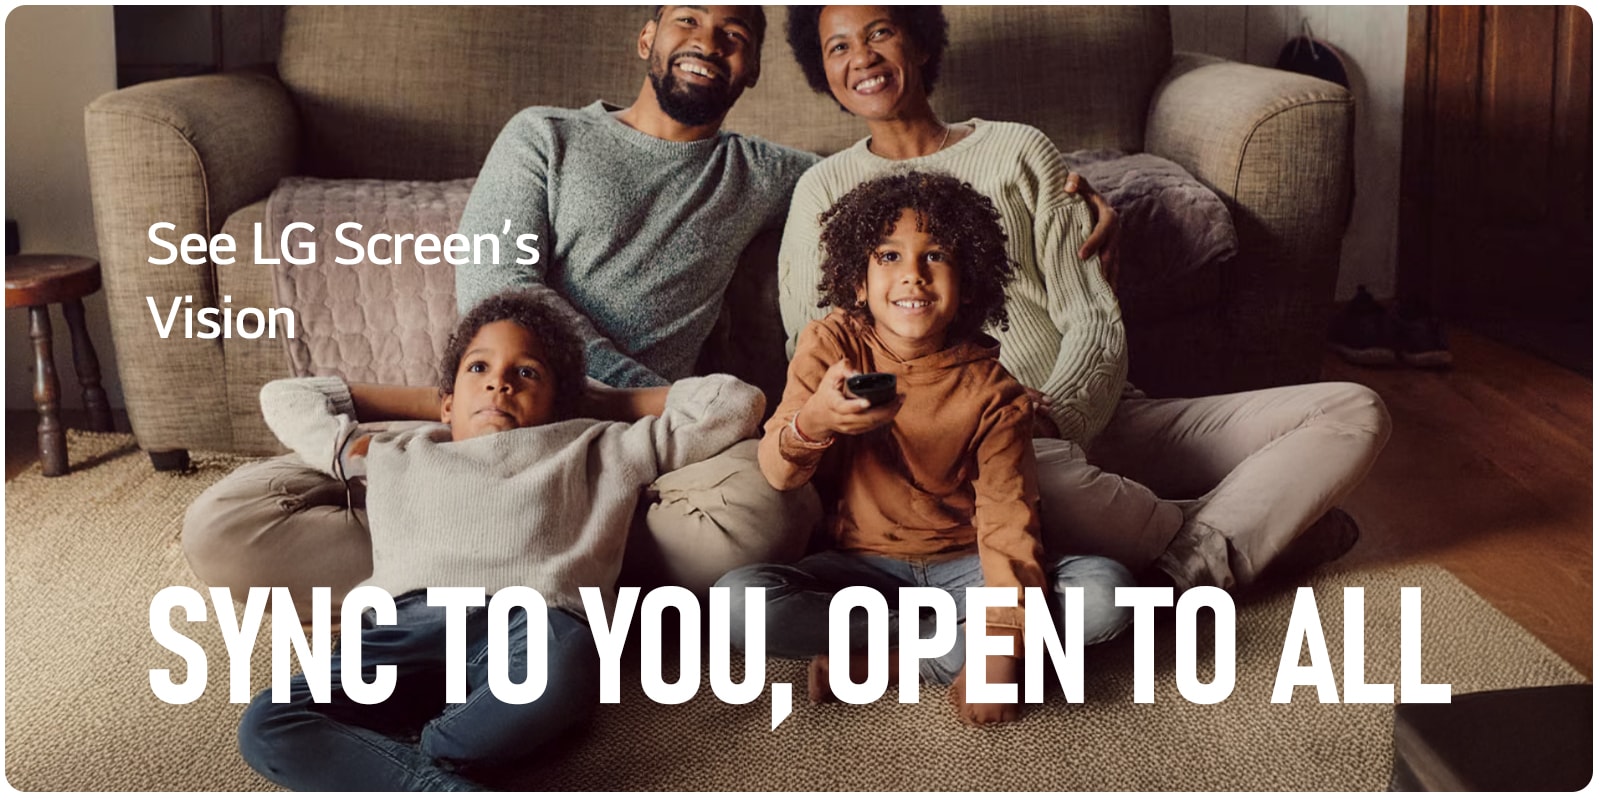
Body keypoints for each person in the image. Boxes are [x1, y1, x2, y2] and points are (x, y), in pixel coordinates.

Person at [184, 6, 823, 617]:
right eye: (688, 20)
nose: (708, 42)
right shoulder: (546, 134)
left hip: (616, 451)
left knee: (774, 512)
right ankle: (546, 570)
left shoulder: (761, 172)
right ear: (646, 39)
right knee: (224, 527)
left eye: (733, 35)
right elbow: (497, 288)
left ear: (754, 69)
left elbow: (872, 180)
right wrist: (561, 394)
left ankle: (484, 567)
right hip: (493, 422)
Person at [778, 6, 1392, 592]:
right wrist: (1002, 431)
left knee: (1354, 409)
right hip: (978, 451)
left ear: (920, 42)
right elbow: (818, 345)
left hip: (1099, 413)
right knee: (1039, 474)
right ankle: (1246, 533)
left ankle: (1185, 561)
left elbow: (1092, 316)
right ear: (822, 71)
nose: (862, 57)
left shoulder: (1021, 150)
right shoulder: (821, 190)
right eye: (839, 47)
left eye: (879, 33)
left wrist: (1059, 414)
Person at [237, 290, 766, 791]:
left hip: (530, 623)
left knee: (559, 668)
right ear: (447, 400)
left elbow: (734, 402)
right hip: (399, 632)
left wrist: (598, 403)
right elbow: (287, 397)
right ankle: (442, 780)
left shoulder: (600, 444)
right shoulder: (393, 450)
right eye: (479, 368)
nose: (499, 384)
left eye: (527, 372)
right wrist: (441, 403)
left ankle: (426, 758)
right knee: (267, 723)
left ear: (563, 401)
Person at [717, 173, 1134, 728]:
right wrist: (815, 419)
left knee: (1109, 595)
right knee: (734, 605)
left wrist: (1003, 643)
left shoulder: (995, 391)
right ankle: (952, 649)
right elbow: (778, 472)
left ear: (966, 283)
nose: (912, 273)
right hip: (862, 570)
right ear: (858, 282)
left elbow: (1009, 519)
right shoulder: (833, 343)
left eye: (935, 255)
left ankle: (888, 662)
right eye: (888, 255)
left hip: (970, 571)